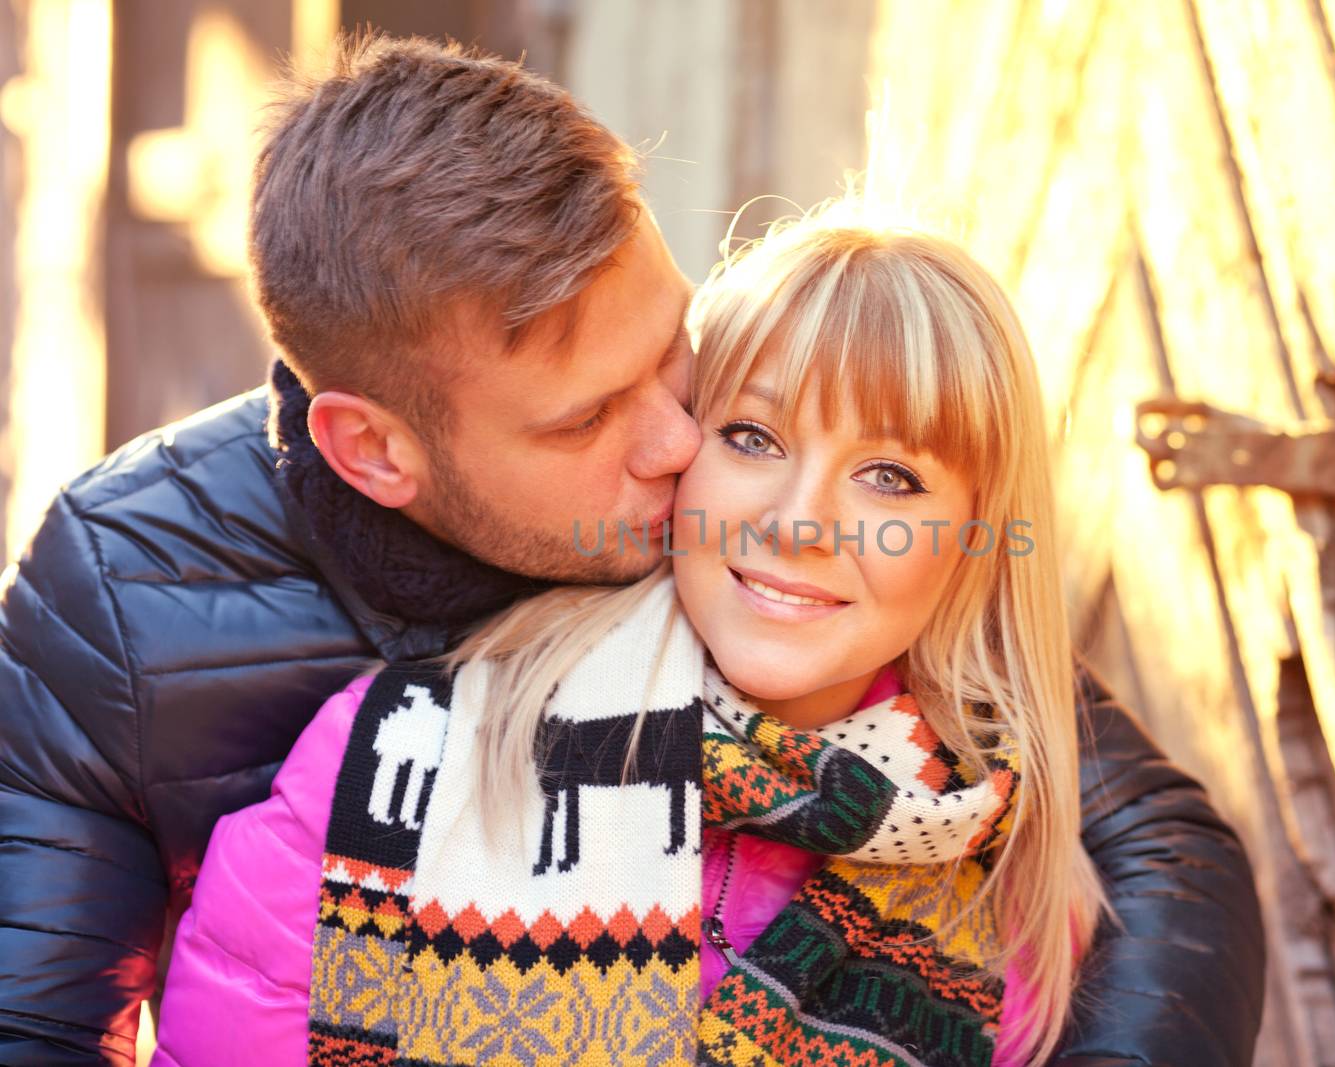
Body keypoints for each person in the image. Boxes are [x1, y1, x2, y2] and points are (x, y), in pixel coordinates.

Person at [0, 35, 1263, 1066]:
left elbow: (1139, 825)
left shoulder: (753, 528)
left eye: (676, 352)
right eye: (591, 417)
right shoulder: (129, 595)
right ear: (377, 453)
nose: (679, 441)